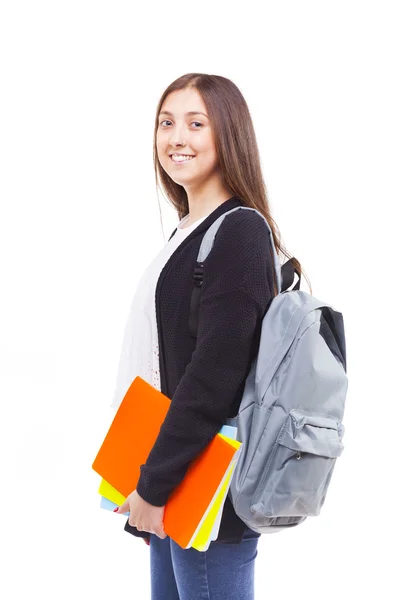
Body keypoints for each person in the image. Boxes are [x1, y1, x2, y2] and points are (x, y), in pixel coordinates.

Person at [111, 73, 309, 600]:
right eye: (166, 122)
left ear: (229, 135)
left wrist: (155, 483)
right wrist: (146, 479)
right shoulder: (188, 231)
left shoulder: (239, 231)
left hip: (207, 490)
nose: (178, 137)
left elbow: (214, 375)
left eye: (196, 123)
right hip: (176, 479)